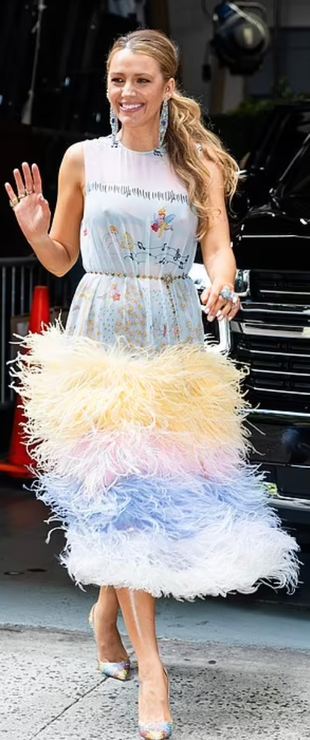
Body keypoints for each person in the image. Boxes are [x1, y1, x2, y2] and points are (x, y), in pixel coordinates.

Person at [5, 29, 299, 740]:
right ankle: (154, 676)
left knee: (148, 498)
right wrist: (37, 231)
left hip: (170, 336)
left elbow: (218, 245)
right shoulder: (83, 159)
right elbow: (61, 260)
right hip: (102, 337)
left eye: (140, 80)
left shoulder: (195, 161)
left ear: (169, 86)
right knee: (121, 499)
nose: (126, 93)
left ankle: (108, 612)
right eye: (116, 80)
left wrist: (223, 289)